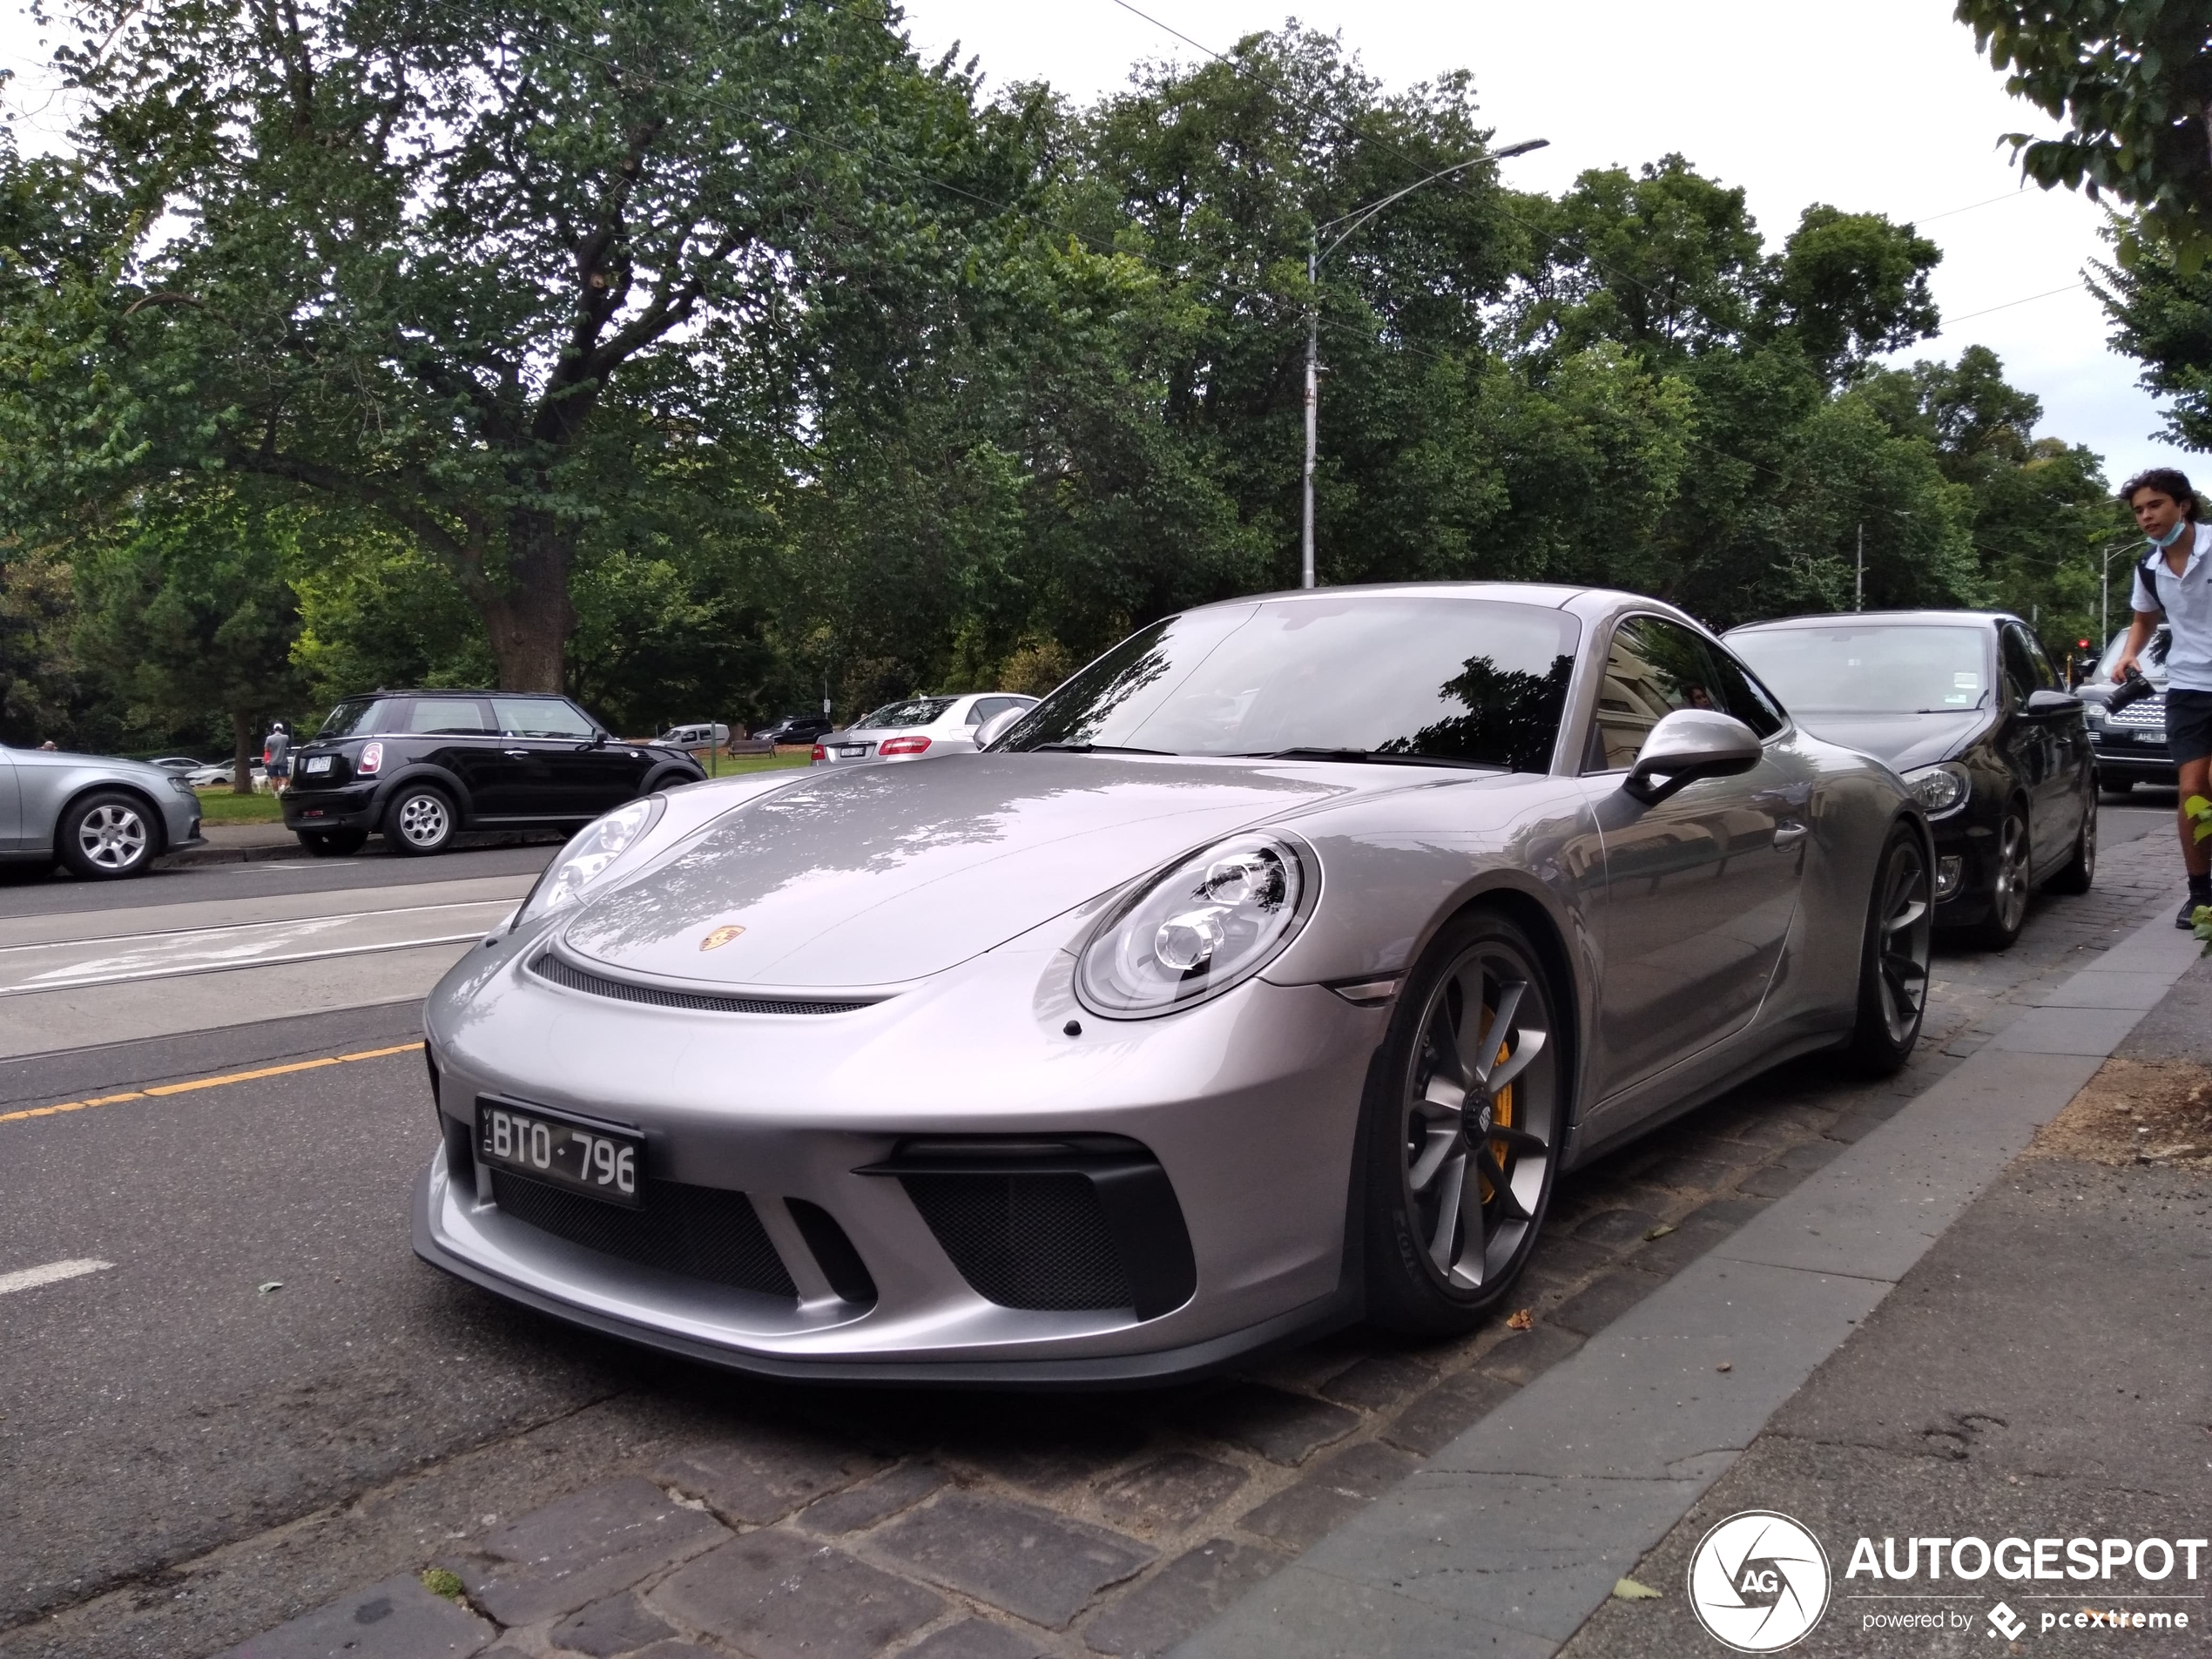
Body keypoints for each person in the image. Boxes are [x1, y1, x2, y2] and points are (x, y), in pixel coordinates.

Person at [2111, 468, 2212, 926]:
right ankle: (2200, 893)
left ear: (2182, 505)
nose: (2146, 517)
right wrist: (2129, 655)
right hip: (2189, 687)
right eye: (2139, 511)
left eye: (2155, 505)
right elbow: (2144, 621)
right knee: (2192, 790)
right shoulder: (2148, 567)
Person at [262, 720, 291, 793]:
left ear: (274, 729)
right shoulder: (285, 737)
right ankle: (283, 786)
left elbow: (266, 749)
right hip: (283, 760)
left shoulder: (269, 738)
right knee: (284, 777)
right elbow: (288, 745)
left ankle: (276, 794)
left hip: (273, 761)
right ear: (282, 729)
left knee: (274, 778)